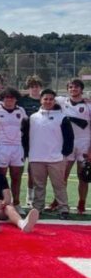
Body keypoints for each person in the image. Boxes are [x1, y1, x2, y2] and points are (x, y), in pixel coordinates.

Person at [29, 89, 74, 220]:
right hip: (36, 157)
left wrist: (64, 154)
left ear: (54, 101)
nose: (48, 101)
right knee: (39, 186)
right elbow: (27, 137)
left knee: (59, 185)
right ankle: (37, 208)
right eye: (45, 99)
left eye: (51, 99)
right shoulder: (33, 118)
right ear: (41, 100)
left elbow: (69, 138)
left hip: (56, 158)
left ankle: (63, 209)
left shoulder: (62, 117)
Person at [0, 87, 28, 215]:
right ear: (3, 99)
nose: (9, 100)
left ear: (16, 99)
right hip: (1, 147)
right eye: (6, 97)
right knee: (1, 177)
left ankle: (16, 203)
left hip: (17, 147)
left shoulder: (21, 110)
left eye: (11, 98)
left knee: (16, 177)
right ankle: (1, 203)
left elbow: (26, 126)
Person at [55, 78, 91, 215]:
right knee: (63, 174)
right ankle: (58, 201)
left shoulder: (89, 105)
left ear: (81, 89)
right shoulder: (62, 101)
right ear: (67, 89)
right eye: (71, 87)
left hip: (84, 143)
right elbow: (41, 94)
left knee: (83, 175)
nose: (73, 89)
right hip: (68, 143)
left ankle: (81, 203)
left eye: (76, 87)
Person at [17, 75, 43, 208]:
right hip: (22, 138)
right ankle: (15, 197)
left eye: (37, 86)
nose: (34, 89)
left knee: (33, 169)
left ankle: (30, 196)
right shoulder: (22, 100)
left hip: (38, 139)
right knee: (18, 169)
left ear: (40, 87)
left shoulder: (46, 100)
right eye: (32, 87)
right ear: (28, 88)